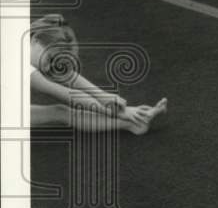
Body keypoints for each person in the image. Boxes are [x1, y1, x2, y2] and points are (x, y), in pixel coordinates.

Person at [29, 15, 167, 134]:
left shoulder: (34, 46)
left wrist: (104, 96)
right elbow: (68, 94)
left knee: (60, 111)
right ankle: (131, 121)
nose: (49, 67)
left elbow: (69, 77)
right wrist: (120, 112)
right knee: (59, 111)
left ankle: (134, 123)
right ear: (36, 41)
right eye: (49, 59)